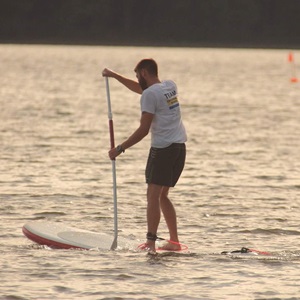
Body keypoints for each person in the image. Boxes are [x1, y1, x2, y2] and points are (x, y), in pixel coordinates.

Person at [102, 59, 187, 252]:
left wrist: (120, 148)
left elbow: (144, 130)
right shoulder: (169, 86)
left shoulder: (150, 94)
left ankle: (150, 242)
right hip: (179, 148)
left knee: (153, 196)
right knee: (163, 196)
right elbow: (143, 90)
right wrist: (115, 75)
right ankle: (174, 242)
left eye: (137, 75)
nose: (136, 79)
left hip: (163, 151)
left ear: (144, 73)